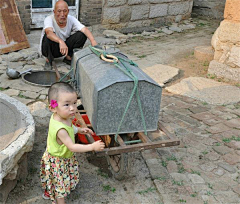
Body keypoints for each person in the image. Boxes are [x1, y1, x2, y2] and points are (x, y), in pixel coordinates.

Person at [40, 82, 105, 204]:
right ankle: (59, 201)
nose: (72, 108)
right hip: (57, 161)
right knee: (59, 186)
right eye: (66, 104)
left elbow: (71, 126)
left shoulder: (62, 116)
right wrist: (92, 146)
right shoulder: (61, 130)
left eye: (74, 103)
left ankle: (49, 191)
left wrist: (79, 129)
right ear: (53, 107)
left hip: (62, 157)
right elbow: (72, 147)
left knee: (53, 179)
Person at [39, 0, 97, 67]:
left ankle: (68, 57)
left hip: (64, 49)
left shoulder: (71, 19)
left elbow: (84, 29)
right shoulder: (49, 19)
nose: (62, 14)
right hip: (52, 49)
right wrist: (60, 41)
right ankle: (49, 60)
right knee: (47, 36)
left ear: (68, 11)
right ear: (54, 12)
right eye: (59, 11)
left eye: (65, 11)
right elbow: (49, 33)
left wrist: (93, 41)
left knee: (82, 34)